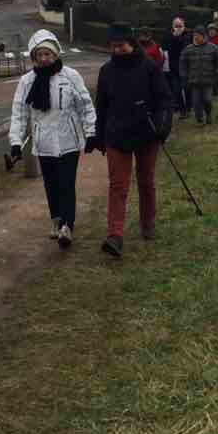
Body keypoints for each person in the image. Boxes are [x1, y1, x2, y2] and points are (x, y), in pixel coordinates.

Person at [88, 22, 173, 258]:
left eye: (121, 46)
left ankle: (148, 224)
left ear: (132, 43)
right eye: (113, 46)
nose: (117, 50)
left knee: (146, 181)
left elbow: (164, 100)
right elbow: (101, 106)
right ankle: (115, 235)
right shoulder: (106, 71)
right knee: (118, 185)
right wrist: (99, 135)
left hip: (147, 134)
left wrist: (162, 126)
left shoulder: (149, 67)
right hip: (117, 134)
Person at [9, 29, 96, 249]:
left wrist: (91, 132)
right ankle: (56, 220)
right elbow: (18, 112)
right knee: (51, 184)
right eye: (40, 55)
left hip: (69, 140)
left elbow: (85, 105)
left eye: (48, 54)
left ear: (56, 54)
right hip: (43, 142)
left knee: (67, 183)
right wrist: (16, 142)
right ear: (34, 57)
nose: (44, 59)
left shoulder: (70, 76)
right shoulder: (27, 81)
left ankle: (68, 226)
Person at [179, 26, 218, 124]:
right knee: (196, 102)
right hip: (194, 81)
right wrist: (184, 74)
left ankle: (208, 114)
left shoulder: (213, 48)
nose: (196, 37)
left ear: (204, 36)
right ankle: (199, 116)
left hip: (208, 80)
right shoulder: (188, 49)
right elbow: (182, 63)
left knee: (207, 99)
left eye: (198, 36)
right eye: (194, 35)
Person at [161, 16, 191, 117]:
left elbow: (186, 47)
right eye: (176, 26)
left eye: (180, 26)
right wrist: (173, 37)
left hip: (186, 67)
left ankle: (189, 107)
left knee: (187, 88)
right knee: (176, 90)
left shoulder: (187, 35)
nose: (178, 28)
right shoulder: (168, 35)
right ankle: (182, 110)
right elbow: (165, 47)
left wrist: (178, 37)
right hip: (173, 68)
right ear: (172, 26)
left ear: (183, 26)